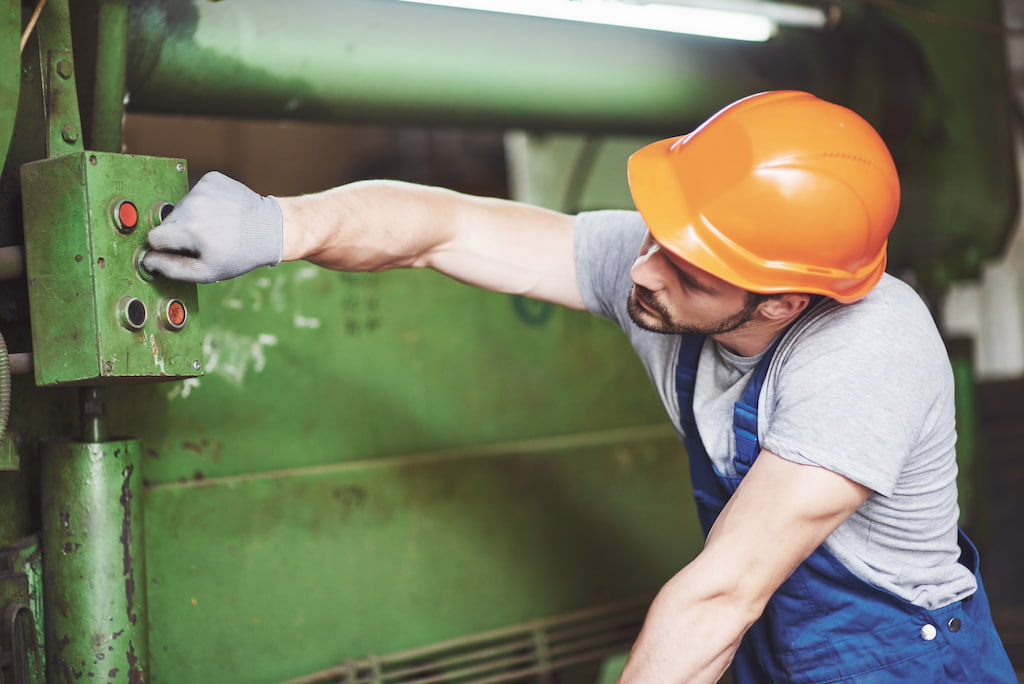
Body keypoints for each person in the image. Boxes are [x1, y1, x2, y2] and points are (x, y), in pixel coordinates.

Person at [142, 90, 1017, 683]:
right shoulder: (670, 265)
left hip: (898, 659)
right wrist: (284, 222)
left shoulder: (867, 357)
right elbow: (445, 227)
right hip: (768, 640)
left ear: (783, 299)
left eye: (689, 274)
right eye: (656, 240)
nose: (641, 274)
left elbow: (719, 596)